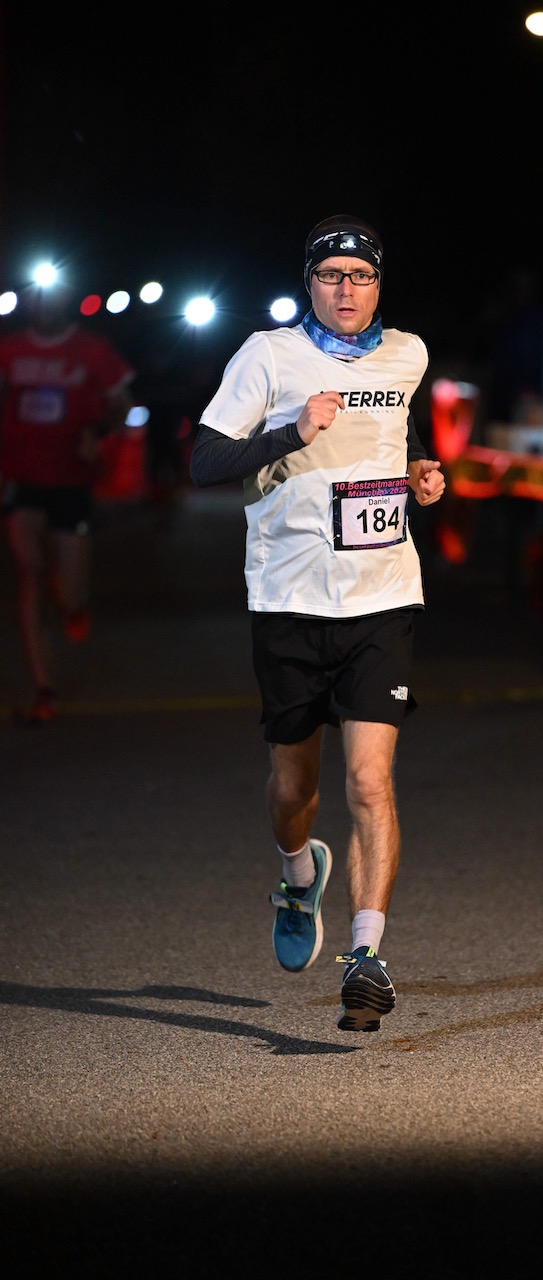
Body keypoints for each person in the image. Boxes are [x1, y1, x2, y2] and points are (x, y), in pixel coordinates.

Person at [189, 215, 445, 1033]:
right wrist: (290, 432)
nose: (346, 291)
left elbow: (396, 441)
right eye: (332, 276)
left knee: (369, 781)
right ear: (310, 282)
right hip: (290, 599)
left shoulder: (407, 355)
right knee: (292, 791)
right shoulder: (268, 356)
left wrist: (419, 475)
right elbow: (201, 460)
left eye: (361, 277)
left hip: (381, 595)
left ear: (380, 285)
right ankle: (300, 875)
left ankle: (367, 957)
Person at [0, 283, 135, 723]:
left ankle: (74, 606)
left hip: (72, 481)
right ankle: (45, 688)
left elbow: (123, 404)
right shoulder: (10, 349)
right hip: (22, 479)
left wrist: (97, 432)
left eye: (52, 296)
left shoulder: (91, 349)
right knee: (30, 574)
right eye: (36, 296)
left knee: (71, 591)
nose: (44, 305)